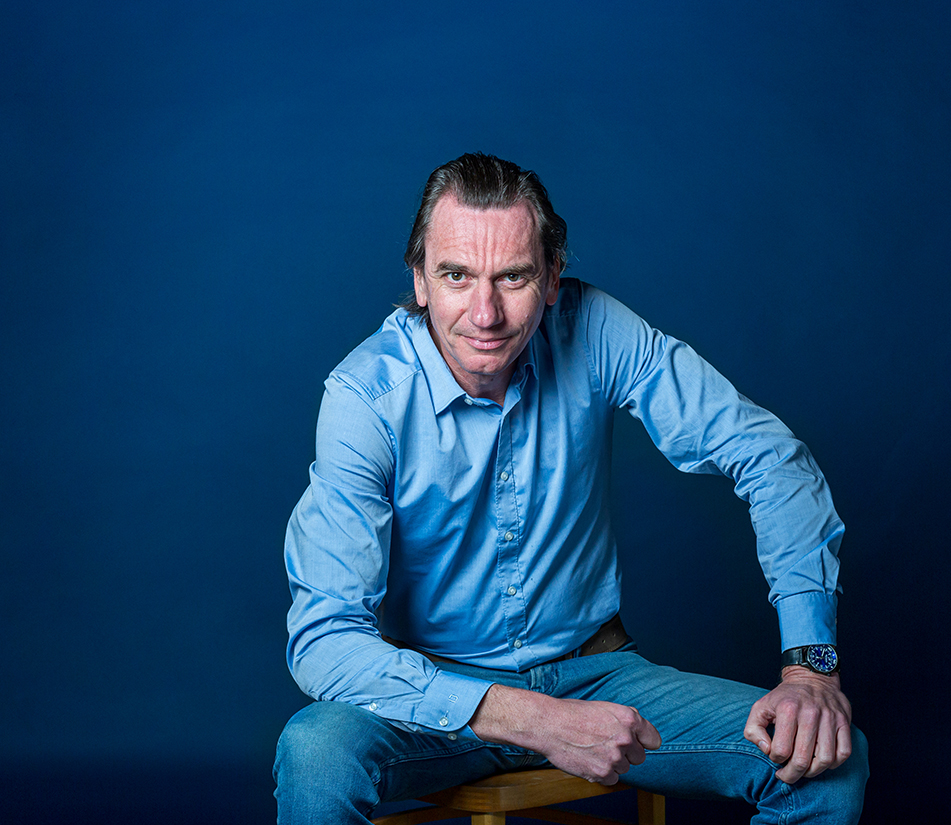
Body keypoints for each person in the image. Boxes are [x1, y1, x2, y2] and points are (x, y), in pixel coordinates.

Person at [274, 153, 868, 824]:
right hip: (433, 700)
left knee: (825, 761)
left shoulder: (596, 329)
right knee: (316, 751)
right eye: (456, 275)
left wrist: (810, 669)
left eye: (514, 277)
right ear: (420, 280)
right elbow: (324, 639)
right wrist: (534, 718)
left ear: (553, 277)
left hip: (598, 676)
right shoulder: (365, 398)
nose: (485, 312)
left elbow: (771, 458)